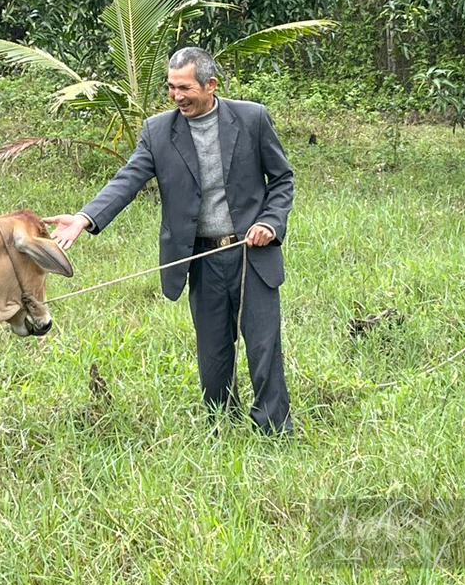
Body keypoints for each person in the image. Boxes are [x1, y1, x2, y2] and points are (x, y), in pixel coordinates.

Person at [47, 47, 295, 435]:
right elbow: (127, 180)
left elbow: (282, 180)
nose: (177, 96)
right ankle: (221, 429)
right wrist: (84, 218)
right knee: (213, 356)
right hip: (200, 260)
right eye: (170, 87)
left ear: (211, 85)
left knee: (263, 348)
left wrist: (270, 221)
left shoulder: (251, 119)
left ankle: (274, 431)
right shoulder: (158, 131)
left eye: (185, 87)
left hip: (252, 255)